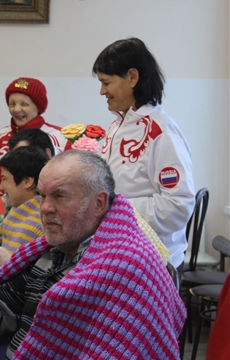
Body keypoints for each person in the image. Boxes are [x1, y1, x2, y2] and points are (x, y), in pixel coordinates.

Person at [0, 150, 185, 359]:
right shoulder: (52, 252)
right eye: (42, 196)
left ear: (99, 202)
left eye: (59, 196)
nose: (46, 208)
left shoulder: (127, 266)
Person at [93, 37, 195, 274]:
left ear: (132, 77)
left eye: (106, 82)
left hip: (154, 262)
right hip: (122, 252)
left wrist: (112, 208)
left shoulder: (161, 132)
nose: (102, 91)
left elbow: (177, 206)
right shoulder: (117, 125)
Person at [0, 146, 48, 275]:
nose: (1, 186)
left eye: (5, 178)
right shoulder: (19, 210)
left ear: (27, 181)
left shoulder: (34, 225)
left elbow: (0, 273)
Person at [0, 77, 69, 187]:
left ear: (38, 107)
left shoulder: (60, 137)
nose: (16, 109)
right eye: (12, 104)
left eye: (24, 104)